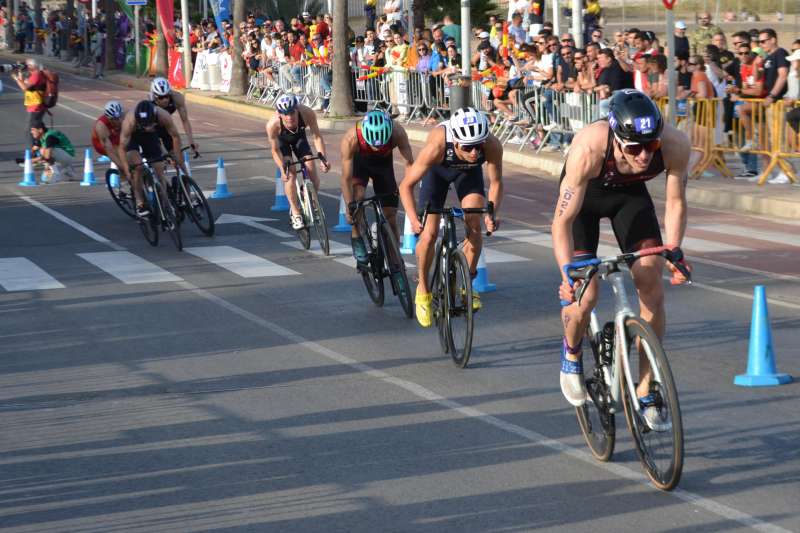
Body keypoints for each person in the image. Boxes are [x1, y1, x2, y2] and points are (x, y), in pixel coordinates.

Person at [552, 89, 691, 424]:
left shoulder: (675, 143)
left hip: (630, 199)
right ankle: (571, 354)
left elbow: (675, 202)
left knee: (650, 281)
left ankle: (646, 387)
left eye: (651, 146)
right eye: (634, 148)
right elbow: (562, 221)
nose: (644, 155)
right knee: (586, 295)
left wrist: (674, 249)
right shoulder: (589, 146)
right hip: (586, 202)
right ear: (616, 138)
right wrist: (566, 274)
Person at [398, 108, 503, 327]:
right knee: (428, 235)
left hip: (468, 174)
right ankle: (423, 289)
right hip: (437, 172)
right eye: (467, 147)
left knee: (474, 226)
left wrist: (492, 213)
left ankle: (467, 284)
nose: (475, 152)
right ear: (455, 141)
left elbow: (496, 182)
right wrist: (413, 219)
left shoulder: (491, 145)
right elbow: (406, 185)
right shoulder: (437, 144)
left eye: (478, 145)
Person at [340, 111, 415, 265]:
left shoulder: (397, 132)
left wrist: (408, 190)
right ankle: (356, 236)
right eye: (373, 144)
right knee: (358, 196)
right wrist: (349, 205)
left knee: (390, 215)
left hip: (383, 165)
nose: (376, 147)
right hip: (360, 163)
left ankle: (395, 259)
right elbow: (346, 178)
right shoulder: (351, 138)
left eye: (381, 144)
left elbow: (409, 165)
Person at [266, 94, 330, 230]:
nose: (289, 117)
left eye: (292, 112)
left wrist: (323, 159)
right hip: (283, 143)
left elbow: (317, 136)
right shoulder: (272, 125)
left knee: (312, 173)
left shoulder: (307, 113)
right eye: (285, 114)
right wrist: (283, 169)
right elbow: (275, 150)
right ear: (279, 114)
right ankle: (295, 213)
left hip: (299, 139)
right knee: (291, 174)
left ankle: (309, 201)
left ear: (297, 109)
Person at [118, 100, 186, 217]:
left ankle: (166, 205)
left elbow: (175, 137)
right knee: (138, 167)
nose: (148, 127)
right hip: (133, 138)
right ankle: (140, 202)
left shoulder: (163, 116)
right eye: (144, 125)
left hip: (151, 138)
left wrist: (176, 156)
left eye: (150, 124)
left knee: (159, 170)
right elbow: (122, 148)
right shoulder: (129, 122)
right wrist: (126, 168)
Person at [150, 77, 198, 156]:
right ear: (155, 96)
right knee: (157, 154)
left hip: (165, 124)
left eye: (167, 96)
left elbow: (185, 120)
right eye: (161, 97)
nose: (165, 100)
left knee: (176, 154)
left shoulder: (177, 98)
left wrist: (191, 141)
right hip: (151, 127)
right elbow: (149, 129)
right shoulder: (150, 104)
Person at [10, 58, 47, 134]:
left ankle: (34, 145)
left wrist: (16, 78)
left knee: (31, 130)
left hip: (36, 105)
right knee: (37, 128)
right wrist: (19, 71)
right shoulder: (33, 74)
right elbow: (23, 84)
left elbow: (24, 88)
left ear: (32, 65)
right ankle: (41, 143)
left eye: (27, 65)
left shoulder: (36, 75)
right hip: (33, 104)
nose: (26, 67)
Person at [91, 100, 126, 171]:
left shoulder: (125, 114)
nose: (119, 121)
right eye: (115, 119)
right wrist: (123, 168)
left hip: (115, 136)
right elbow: (109, 150)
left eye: (120, 117)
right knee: (119, 156)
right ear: (109, 118)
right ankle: (123, 179)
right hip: (99, 143)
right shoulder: (101, 126)